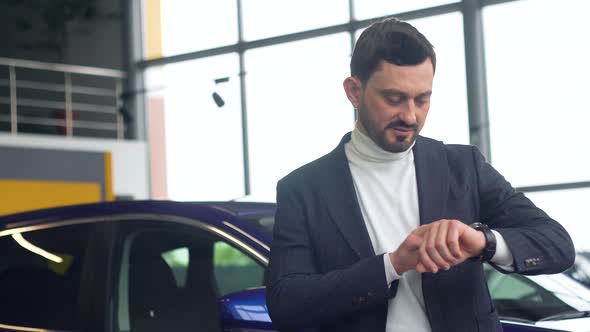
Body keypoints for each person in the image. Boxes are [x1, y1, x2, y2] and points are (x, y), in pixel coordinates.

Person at [265, 17, 575, 332]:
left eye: (422, 99)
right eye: (394, 99)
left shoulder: (463, 166)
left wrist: (483, 242)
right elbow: (286, 303)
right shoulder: (303, 189)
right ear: (354, 92)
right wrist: (392, 264)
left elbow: (556, 245)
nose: (410, 115)